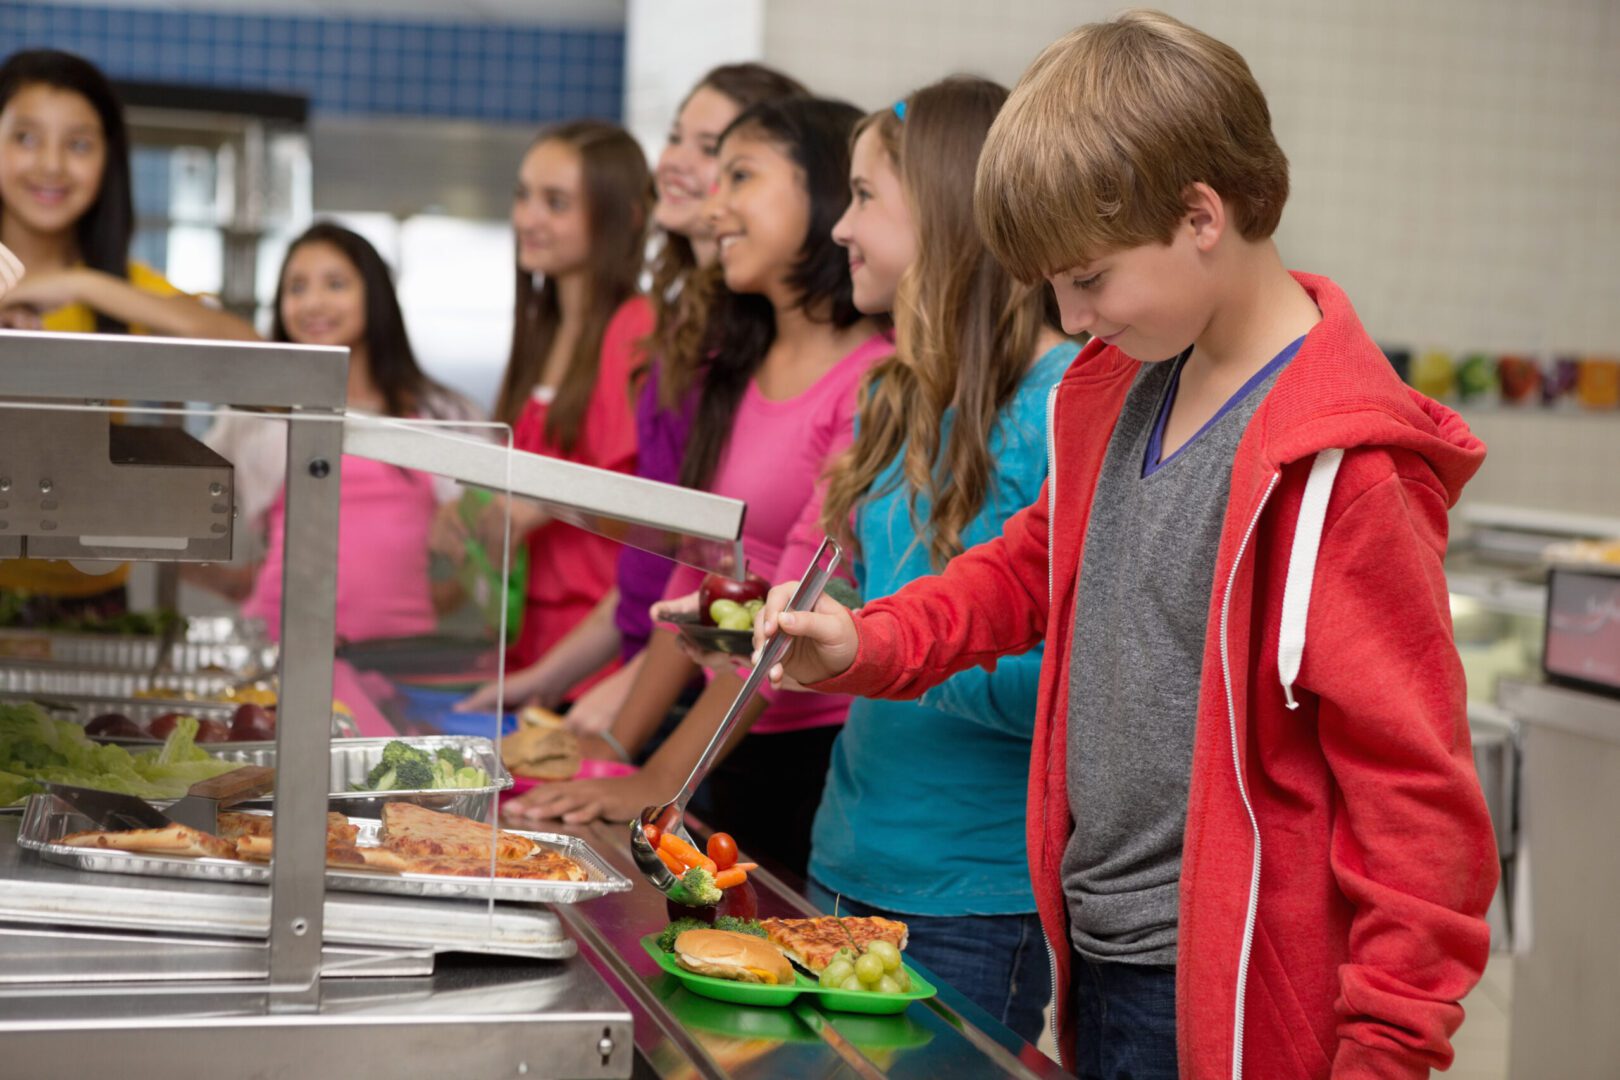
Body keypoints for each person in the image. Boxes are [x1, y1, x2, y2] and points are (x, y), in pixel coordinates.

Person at [755, 12, 1496, 1079]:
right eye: (1052, 285)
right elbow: (1026, 570)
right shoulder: (1126, 390)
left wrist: (1387, 1046)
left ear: (1202, 213)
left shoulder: (1348, 467)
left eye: (1090, 278)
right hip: (1098, 955)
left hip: (1234, 990)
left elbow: (1418, 803)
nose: (1072, 315)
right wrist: (868, 643)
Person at [506, 97, 888, 881]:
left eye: (739, 177)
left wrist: (661, 779)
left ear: (822, 194)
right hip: (720, 734)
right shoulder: (733, 369)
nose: (712, 209)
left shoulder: (872, 379)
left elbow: (796, 602)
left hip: (804, 752)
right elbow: (700, 567)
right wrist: (618, 749)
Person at [786, 76, 1072, 1043]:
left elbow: (1069, 688)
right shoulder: (892, 395)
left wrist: (873, 653)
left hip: (971, 895)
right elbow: (884, 597)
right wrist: (784, 628)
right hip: (845, 852)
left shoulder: (1064, 404)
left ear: (946, 214)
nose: (839, 229)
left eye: (865, 197)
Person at [455, 64, 806, 730]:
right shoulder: (675, 328)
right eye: (678, 137)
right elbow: (676, 564)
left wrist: (622, 697)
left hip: (705, 688)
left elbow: (696, 557)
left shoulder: (667, 333)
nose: (674, 161)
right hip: (640, 663)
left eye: (726, 158)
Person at [0, 49, 258, 618]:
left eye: (79, 144)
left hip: (89, 603)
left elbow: (255, 355)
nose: (51, 165)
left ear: (109, 161)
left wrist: (84, 282)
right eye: (24, 137)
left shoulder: (119, 289)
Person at [436, 120, 655, 692]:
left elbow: (657, 517)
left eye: (555, 203)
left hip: (601, 657)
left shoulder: (638, 331)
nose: (528, 219)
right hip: (529, 646)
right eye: (523, 195)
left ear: (622, 217)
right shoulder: (541, 332)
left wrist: (544, 504)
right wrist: (469, 514)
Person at [197, 223, 483, 643]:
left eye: (335, 284)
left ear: (376, 296)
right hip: (278, 652)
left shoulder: (443, 412)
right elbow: (181, 504)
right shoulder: (256, 414)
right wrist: (229, 582)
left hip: (401, 661)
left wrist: (448, 593)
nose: (313, 303)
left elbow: (494, 534)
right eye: (296, 288)